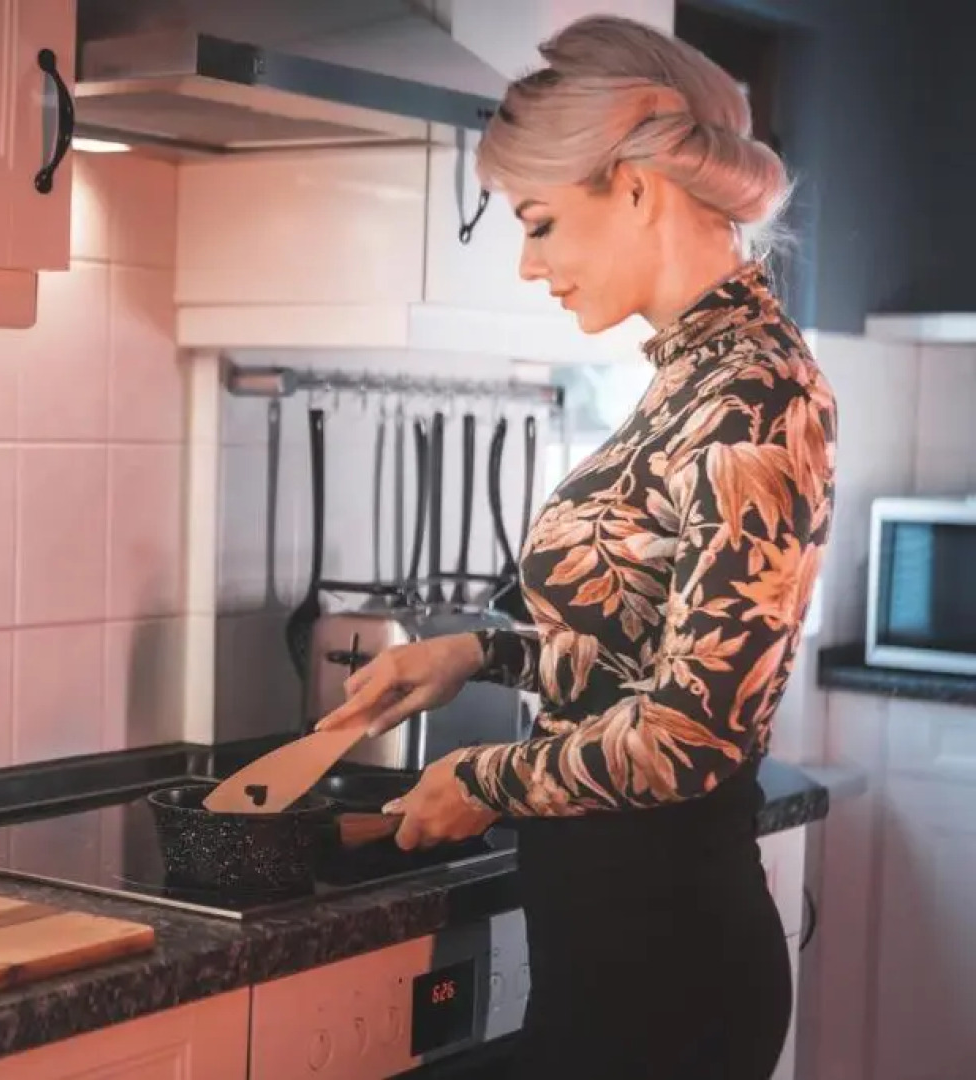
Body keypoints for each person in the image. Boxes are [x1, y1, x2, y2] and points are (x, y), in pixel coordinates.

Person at [314, 14, 837, 1080]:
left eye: (539, 221)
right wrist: (474, 653)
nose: (524, 262)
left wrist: (486, 778)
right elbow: (636, 652)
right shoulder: (695, 378)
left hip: (666, 974)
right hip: (617, 961)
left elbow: (691, 735)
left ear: (635, 191)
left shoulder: (754, 394)